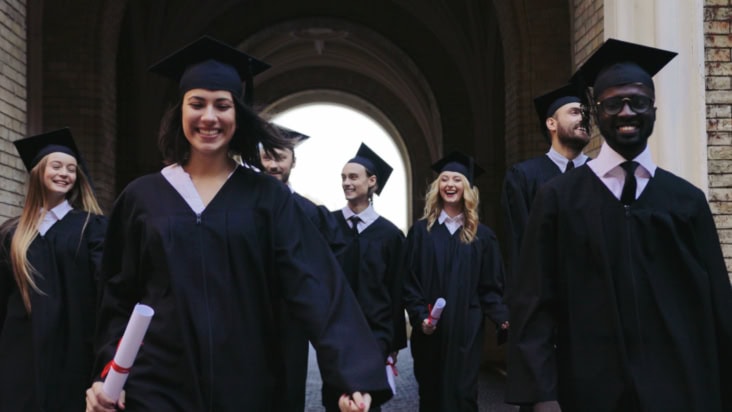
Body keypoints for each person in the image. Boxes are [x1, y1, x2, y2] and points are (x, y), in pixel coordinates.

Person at [85, 35, 391, 412]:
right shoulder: (142, 198)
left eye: (222, 105)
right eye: (196, 104)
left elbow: (315, 284)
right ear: (179, 110)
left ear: (238, 114)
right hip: (158, 385)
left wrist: (352, 374)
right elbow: (118, 296)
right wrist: (107, 373)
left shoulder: (267, 199)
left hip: (248, 384)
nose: (209, 117)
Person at [506, 38, 732, 412]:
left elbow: (717, 306)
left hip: (680, 389)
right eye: (613, 104)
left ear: (654, 110)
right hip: (588, 390)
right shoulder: (558, 200)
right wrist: (542, 395)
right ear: (597, 112)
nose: (627, 112)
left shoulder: (686, 201)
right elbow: (534, 303)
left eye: (637, 102)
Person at [0, 128, 106, 412]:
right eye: (56, 166)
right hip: (20, 352)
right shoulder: (13, 233)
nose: (65, 173)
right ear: (38, 173)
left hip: (72, 348)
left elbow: (103, 290)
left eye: (71, 168)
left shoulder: (91, 228)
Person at [402, 151, 509, 412]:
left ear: (468, 188)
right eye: (444, 179)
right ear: (437, 187)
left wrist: (503, 317)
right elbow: (409, 281)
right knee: (431, 395)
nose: (450, 184)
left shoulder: (483, 237)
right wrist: (420, 317)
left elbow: (490, 286)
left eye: (457, 179)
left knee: (464, 394)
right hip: (430, 331)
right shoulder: (421, 233)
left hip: (466, 329)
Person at [259, 125, 345, 412]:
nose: (273, 164)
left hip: (290, 322)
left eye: (280, 157)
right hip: (244, 317)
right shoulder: (237, 204)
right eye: (267, 157)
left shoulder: (309, 213)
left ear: (293, 161)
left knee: (288, 393)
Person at [325, 143, 406, 412]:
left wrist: (394, 342)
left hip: (376, 332)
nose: (346, 183)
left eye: (353, 177)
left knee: (367, 404)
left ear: (372, 181)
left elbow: (396, 290)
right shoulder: (328, 226)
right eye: (343, 178)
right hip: (336, 331)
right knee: (335, 401)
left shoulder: (390, 235)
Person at [500, 83, 590, 300]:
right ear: (551, 123)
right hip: (545, 297)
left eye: (586, 113)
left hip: (595, 298)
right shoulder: (523, 177)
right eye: (575, 112)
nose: (584, 118)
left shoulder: (602, 174)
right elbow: (519, 245)